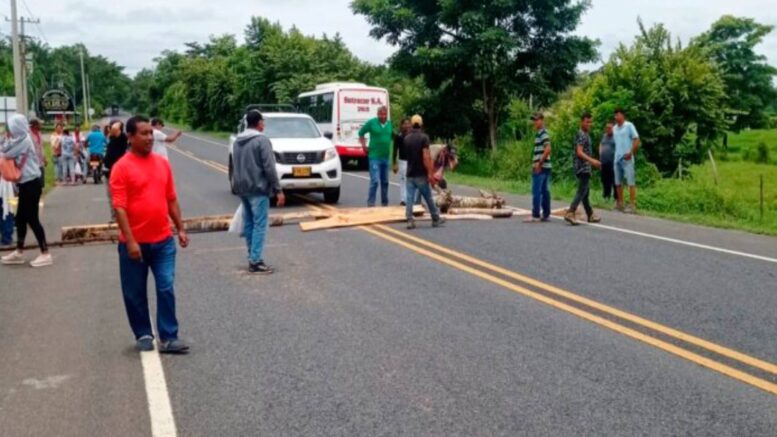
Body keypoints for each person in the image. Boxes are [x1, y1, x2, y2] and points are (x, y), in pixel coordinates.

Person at [110, 115, 190, 353]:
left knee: (166, 286)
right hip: (133, 245)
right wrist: (131, 241)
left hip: (163, 240)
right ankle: (143, 333)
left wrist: (181, 228)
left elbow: (171, 199)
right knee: (134, 292)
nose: (149, 137)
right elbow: (120, 208)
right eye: (143, 134)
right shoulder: (121, 168)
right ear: (130, 137)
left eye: (150, 133)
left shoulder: (162, 163)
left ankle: (168, 336)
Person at [231, 110, 285, 274]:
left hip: (242, 188)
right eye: (263, 121)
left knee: (249, 224)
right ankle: (256, 261)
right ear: (259, 123)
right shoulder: (261, 140)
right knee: (260, 225)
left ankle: (251, 256)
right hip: (258, 188)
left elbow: (235, 165)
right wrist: (278, 190)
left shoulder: (237, 141)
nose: (264, 124)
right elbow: (269, 167)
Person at [1, 114, 52, 267]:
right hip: (26, 184)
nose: (7, 130)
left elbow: (5, 153)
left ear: (16, 128)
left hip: (31, 183)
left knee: (32, 218)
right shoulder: (19, 139)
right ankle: (19, 251)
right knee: (20, 218)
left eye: (10, 127)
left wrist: (4, 141)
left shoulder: (24, 140)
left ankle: (45, 253)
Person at [403, 115, 444, 229]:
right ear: (421, 124)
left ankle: (410, 220)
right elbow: (426, 157)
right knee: (428, 197)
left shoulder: (406, 139)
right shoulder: (424, 138)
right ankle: (435, 218)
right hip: (420, 173)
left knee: (409, 198)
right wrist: (430, 173)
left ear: (411, 124)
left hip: (410, 173)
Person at [565, 113, 602, 225]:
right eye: (587, 122)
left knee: (585, 192)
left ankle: (590, 214)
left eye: (590, 122)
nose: (589, 124)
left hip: (583, 167)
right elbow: (579, 152)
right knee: (582, 191)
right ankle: (571, 212)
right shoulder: (582, 135)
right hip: (583, 167)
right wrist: (592, 161)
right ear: (582, 122)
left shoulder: (584, 134)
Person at [358, 106, 393, 207]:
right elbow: (361, 133)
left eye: (384, 114)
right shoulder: (372, 123)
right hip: (374, 157)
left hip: (385, 158)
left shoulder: (389, 124)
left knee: (385, 182)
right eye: (380, 114)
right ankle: (371, 203)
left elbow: (391, 137)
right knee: (375, 181)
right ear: (377, 114)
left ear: (387, 114)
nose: (383, 116)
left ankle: (385, 203)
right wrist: (364, 146)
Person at [524, 112, 552, 223]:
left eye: (537, 120)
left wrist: (539, 163)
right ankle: (546, 214)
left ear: (542, 120)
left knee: (536, 190)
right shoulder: (541, 133)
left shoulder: (543, 134)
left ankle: (536, 215)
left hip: (541, 166)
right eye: (534, 120)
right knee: (545, 190)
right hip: (546, 166)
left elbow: (548, 149)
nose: (535, 122)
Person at [613, 108, 640, 213]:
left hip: (627, 158)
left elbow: (637, 139)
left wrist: (631, 152)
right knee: (618, 183)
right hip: (617, 158)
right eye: (615, 115)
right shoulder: (614, 128)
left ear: (623, 116)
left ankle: (632, 205)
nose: (616, 117)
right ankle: (620, 204)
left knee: (630, 182)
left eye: (618, 115)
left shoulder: (629, 125)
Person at [104, 121, 128, 219]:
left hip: (118, 172)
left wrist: (116, 123)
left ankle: (122, 218)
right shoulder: (112, 138)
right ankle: (115, 218)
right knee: (112, 196)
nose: (109, 129)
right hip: (109, 171)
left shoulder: (122, 138)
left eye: (110, 127)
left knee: (118, 197)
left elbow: (115, 128)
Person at [392, 118, 411, 205]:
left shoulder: (411, 136)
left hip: (411, 161)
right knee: (403, 180)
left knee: (410, 180)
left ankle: (410, 198)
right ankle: (403, 199)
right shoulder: (399, 136)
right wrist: (394, 163)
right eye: (405, 124)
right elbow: (395, 150)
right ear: (401, 125)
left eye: (408, 124)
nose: (407, 126)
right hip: (402, 161)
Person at [599, 123, 616, 201]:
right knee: (605, 180)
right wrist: (600, 152)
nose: (608, 129)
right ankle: (606, 196)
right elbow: (601, 144)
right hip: (603, 162)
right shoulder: (604, 136)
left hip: (612, 162)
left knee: (614, 180)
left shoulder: (616, 136)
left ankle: (616, 198)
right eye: (607, 128)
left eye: (610, 128)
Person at [29, 118, 46, 189]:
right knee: (35, 183)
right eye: (39, 124)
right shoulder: (28, 135)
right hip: (32, 162)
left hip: (40, 162)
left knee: (41, 183)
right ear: (34, 125)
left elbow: (41, 147)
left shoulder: (39, 133)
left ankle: (39, 197)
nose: (41, 125)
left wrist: (44, 158)